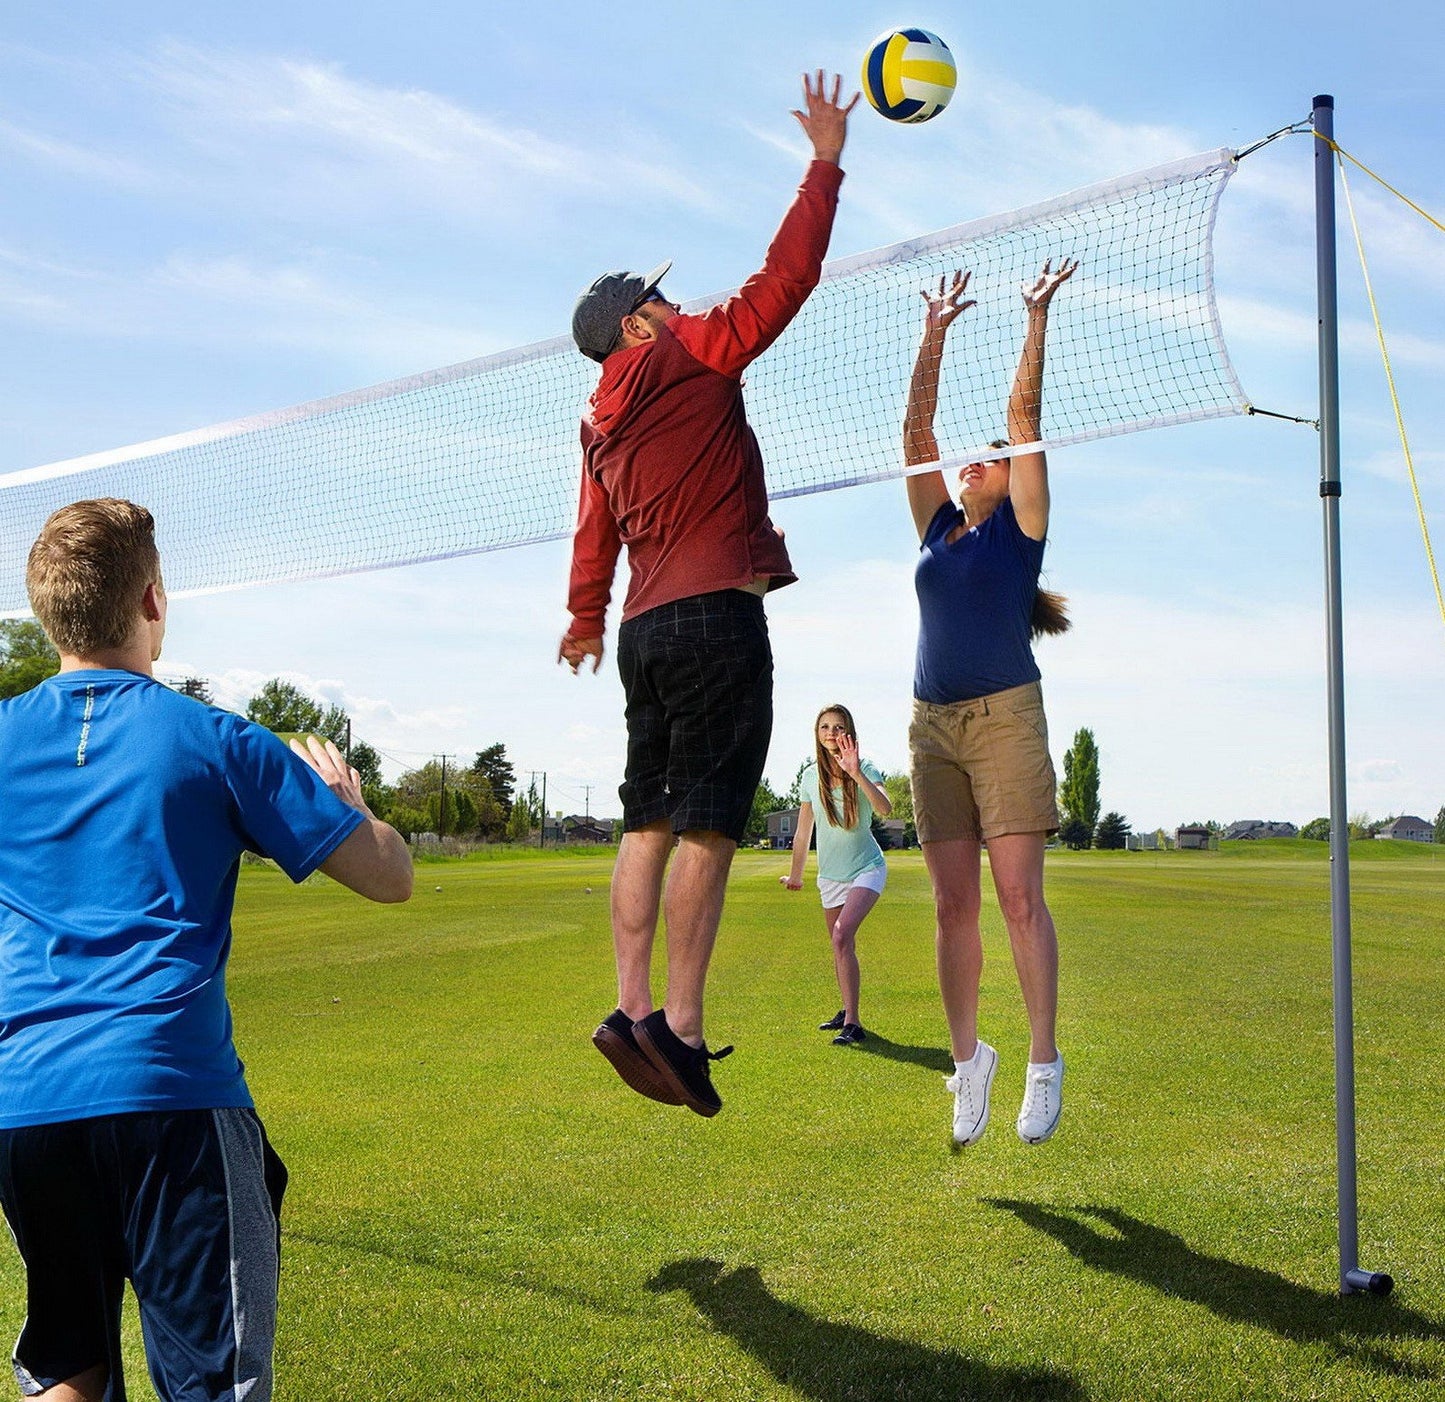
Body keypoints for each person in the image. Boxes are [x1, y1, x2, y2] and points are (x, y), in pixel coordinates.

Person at [0, 499, 414, 1402]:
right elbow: (390, 875)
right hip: (174, 1100)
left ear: (47, 613)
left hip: (26, 1104)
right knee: (213, 1383)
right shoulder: (218, 739)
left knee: (66, 1364)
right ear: (153, 598)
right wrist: (348, 798)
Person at [558, 72, 857, 1119]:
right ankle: (677, 1031)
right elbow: (779, 286)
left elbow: (592, 528)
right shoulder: (681, 351)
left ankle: (630, 1007)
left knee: (645, 819)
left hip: (642, 629)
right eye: (656, 298)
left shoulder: (596, 416)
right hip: (712, 619)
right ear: (636, 326)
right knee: (710, 828)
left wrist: (581, 617)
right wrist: (822, 166)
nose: (671, 301)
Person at [901, 261, 1077, 1148]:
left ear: (1012, 482)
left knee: (1015, 899)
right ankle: (969, 1063)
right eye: (979, 460)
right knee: (950, 906)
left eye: (996, 463)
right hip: (931, 727)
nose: (983, 459)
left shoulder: (1020, 533)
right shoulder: (938, 528)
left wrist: (1032, 318)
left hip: (1005, 718)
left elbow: (1021, 422)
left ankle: (1042, 1062)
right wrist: (934, 333)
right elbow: (914, 431)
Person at [779, 705, 892, 1046]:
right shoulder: (810, 776)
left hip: (867, 869)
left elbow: (885, 808)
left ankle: (854, 1024)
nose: (830, 732)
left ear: (848, 732)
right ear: (817, 733)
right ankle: (846, 1009)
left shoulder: (866, 767)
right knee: (841, 945)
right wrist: (796, 876)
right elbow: (803, 832)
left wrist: (855, 773)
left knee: (842, 935)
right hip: (830, 876)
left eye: (837, 726)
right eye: (824, 726)